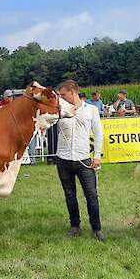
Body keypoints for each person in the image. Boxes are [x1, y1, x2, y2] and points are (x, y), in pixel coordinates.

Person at [54, 80, 104, 241]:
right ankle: (75, 225)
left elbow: (98, 134)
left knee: (91, 195)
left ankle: (96, 228)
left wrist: (97, 156)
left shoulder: (91, 110)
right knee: (70, 195)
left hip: (84, 159)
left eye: (63, 95)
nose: (61, 98)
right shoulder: (59, 110)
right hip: (63, 159)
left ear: (72, 92)